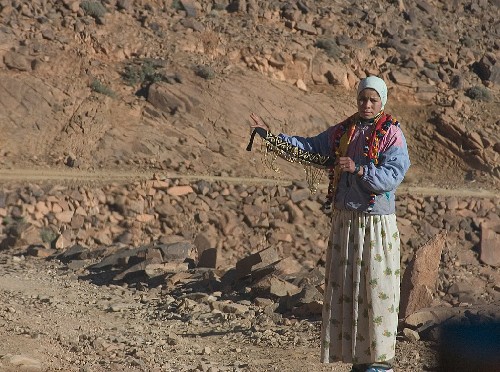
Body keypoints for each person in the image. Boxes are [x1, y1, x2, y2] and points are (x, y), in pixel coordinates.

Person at [249, 76, 410, 372]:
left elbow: (393, 176)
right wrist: (270, 137)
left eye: (373, 99)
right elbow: (311, 148)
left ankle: (379, 362)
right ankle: (359, 359)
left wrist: (359, 168)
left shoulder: (391, 133)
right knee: (349, 290)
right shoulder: (343, 131)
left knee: (377, 292)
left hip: (373, 225)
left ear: (382, 101)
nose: (367, 104)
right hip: (345, 223)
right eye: (363, 98)